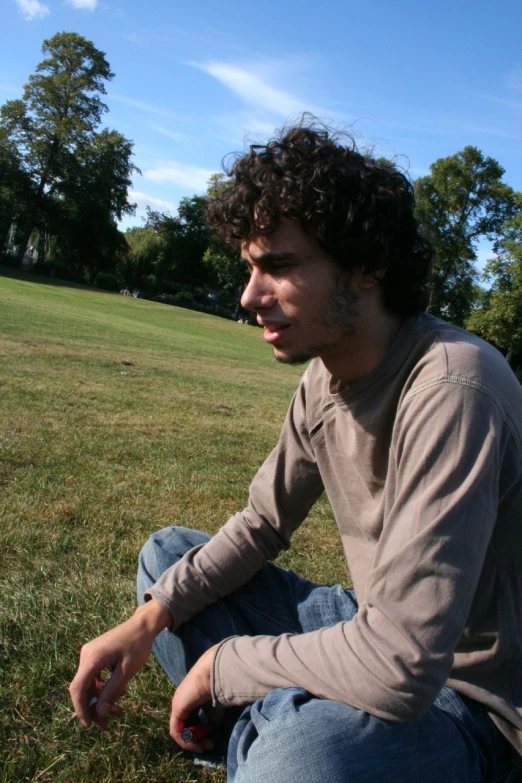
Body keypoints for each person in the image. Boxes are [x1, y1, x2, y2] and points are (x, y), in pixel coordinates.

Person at [70, 121, 522, 782]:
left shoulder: (455, 386)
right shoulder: (325, 378)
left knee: (304, 755)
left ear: (367, 266)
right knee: (168, 562)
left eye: (277, 266)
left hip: (472, 705)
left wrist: (226, 666)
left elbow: (402, 665)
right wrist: (148, 619)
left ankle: (272, 740)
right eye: (250, 267)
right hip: (371, 624)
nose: (249, 295)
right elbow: (260, 525)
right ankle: (273, 731)